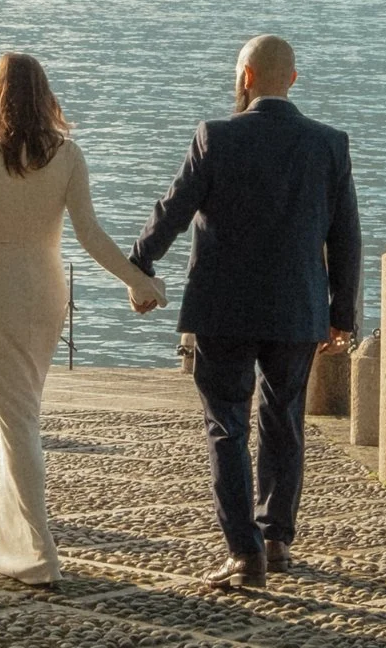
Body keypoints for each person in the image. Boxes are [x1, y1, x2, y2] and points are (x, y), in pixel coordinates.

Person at [130, 32, 361, 592]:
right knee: (284, 420)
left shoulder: (216, 137)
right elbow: (346, 236)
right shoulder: (328, 144)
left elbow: (173, 211)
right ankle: (277, 537)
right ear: (294, 80)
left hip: (223, 309)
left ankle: (244, 552)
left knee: (227, 425)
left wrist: (138, 266)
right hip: (297, 308)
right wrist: (342, 314)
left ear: (247, 77)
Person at [0, 51, 164, 585]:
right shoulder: (68, 155)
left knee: (18, 419)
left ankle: (39, 554)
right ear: (44, 97)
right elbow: (91, 235)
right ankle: (6, 539)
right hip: (47, 290)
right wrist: (136, 280)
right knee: (21, 412)